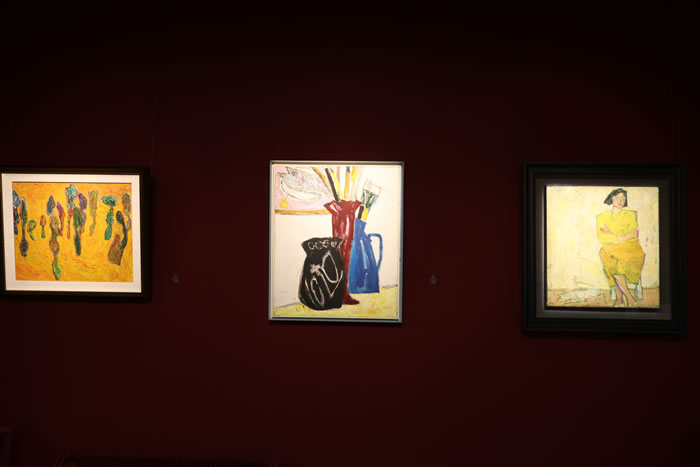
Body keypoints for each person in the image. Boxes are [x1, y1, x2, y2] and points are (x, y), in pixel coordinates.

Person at [596, 188, 645, 307]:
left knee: (607, 254)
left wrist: (611, 234)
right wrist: (622, 236)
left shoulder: (630, 215)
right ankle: (629, 298)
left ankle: (620, 299)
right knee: (605, 253)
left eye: (623, 199)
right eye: (617, 198)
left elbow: (633, 236)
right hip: (612, 250)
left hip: (631, 249)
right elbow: (602, 239)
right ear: (611, 199)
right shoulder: (602, 217)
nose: (620, 201)